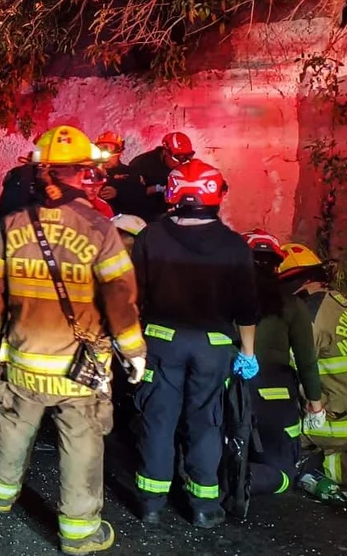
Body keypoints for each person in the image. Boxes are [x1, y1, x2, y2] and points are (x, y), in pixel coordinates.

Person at [0, 125, 145, 555]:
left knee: (14, 426)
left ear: (41, 173)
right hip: (78, 367)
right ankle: (78, 533)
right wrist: (134, 352)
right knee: (81, 442)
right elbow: (120, 299)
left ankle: (1, 495)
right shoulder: (99, 229)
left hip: (23, 355)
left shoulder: (12, 224)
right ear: (84, 173)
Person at [130, 158, 258, 528]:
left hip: (161, 342)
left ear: (173, 192)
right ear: (216, 194)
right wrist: (248, 353)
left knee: (158, 419)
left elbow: (132, 296)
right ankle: (204, 506)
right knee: (206, 421)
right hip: (213, 346)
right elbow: (247, 309)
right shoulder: (234, 245)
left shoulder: (150, 237)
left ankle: (151, 503)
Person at [278, 242, 347, 498]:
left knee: (278, 434)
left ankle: (327, 465)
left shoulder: (309, 315)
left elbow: (287, 373)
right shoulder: (338, 304)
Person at [242, 230, 324, 500]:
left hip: (230, 392)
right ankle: (247, 479)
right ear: (277, 266)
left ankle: (219, 476)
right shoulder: (292, 306)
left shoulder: (224, 300)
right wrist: (315, 403)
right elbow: (306, 360)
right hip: (275, 399)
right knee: (283, 474)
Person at [126, 132, 196, 222]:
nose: (181, 163)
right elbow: (130, 194)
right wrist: (157, 188)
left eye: (186, 157)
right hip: (145, 217)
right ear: (165, 152)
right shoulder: (141, 164)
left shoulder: (184, 165)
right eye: (178, 157)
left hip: (173, 215)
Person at [93, 131, 144, 217]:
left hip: (122, 218)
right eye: (100, 148)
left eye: (109, 148)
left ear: (119, 152)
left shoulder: (130, 171)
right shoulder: (91, 171)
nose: (105, 154)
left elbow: (139, 194)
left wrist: (117, 193)